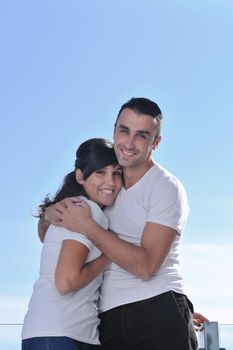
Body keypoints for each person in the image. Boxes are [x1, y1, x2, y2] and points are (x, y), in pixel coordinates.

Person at [41, 97, 203, 350]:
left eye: (141, 135)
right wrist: (50, 214)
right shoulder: (106, 187)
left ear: (155, 142)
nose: (128, 143)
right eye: (124, 131)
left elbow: (147, 266)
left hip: (157, 308)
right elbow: (50, 234)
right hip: (108, 319)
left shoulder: (165, 187)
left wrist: (88, 227)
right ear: (114, 130)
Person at [22, 138, 122, 350]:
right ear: (80, 176)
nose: (110, 182)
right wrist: (109, 253)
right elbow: (66, 282)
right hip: (58, 333)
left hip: (58, 332)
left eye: (116, 173)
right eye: (100, 172)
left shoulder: (82, 208)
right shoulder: (85, 210)